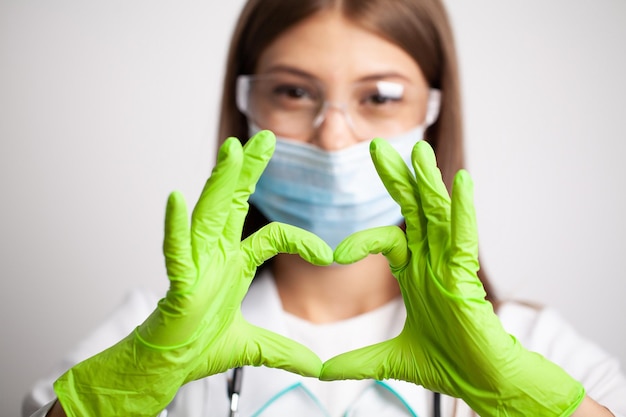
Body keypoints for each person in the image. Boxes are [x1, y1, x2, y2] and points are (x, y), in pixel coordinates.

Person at [23, 0, 626, 416]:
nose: (334, 137)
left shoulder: (532, 344)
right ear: (247, 106)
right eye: (292, 91)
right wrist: (114, 396)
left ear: (432, 114)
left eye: (380, 97)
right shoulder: (150, 334)